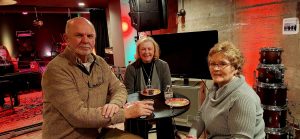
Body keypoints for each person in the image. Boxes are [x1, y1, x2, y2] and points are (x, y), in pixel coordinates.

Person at [41, 17, 154, 139]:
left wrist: (115, 104)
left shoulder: (100, 63)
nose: (85, 40)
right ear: (66, 39)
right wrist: (126, 113)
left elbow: (120, 88)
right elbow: (78, 116)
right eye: (79, 35)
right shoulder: (56, 69)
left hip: (97, 132)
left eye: (90, 36)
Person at [187, 41, 265, 139]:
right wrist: (191, 136)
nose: (215, 68)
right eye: (212, 63)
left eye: (222, 64)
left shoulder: (243, 98)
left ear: (236, 68)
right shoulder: (216, 87)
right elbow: (201, 116)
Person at [123, 36, 175, 138]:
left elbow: (168, 89)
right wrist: (138, 106)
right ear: (139, 51)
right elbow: (128, 93)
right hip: (138, 104)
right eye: (143, 49)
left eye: (149, 49)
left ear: (154, 50)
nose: (147, 52)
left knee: (167, 120)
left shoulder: (163, 65)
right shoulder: (131, 68)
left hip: (160, 104)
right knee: (134, 122)